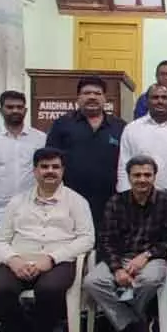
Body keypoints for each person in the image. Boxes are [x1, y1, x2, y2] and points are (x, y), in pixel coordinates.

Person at [0, 148, 95, 332]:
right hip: (19, 258)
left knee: (49, 289)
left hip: (58, 260)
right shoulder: (17, 202)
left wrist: (52, 258)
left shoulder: (76, 201)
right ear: (35, 171)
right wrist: (13, 260)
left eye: (55, 167)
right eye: (44, 167)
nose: (50, 171)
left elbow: (87, 239)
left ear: (63, 170)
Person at [83, 155, 167, 332]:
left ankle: (126, 325)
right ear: (128, 177)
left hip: (153, 258)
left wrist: (146, 255)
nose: (142, 179)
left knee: (148, 280)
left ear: (155, 176)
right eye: (137, 175)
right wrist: (117, 269)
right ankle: (137, 324)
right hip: (120, 257)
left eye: (147, 174)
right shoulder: (116, 202)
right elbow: (106, 240)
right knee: (92, 282)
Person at [46, 76, 126, 231]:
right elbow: (50, 162)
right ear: (78, 97)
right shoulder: (62, 124)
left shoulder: (119, 126)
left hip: (110, 200)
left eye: (97, 93)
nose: (92, 97)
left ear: (105, 98)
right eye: (87, 93)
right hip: (70, 199)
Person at [0, 90, 46, 253]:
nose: (15, 111)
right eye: (10, 107)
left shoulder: (41, 139)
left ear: (25, 110)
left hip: (33, 212)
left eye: (19, 107)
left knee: (30, 260)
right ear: (0, 110)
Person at [117, 84, 167, 199]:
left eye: (164, 97)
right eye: (155, 97)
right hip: (139, 196)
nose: (160, 101)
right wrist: (124, 196)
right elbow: (124, 165)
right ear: (147, 101)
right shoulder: (132, 129)